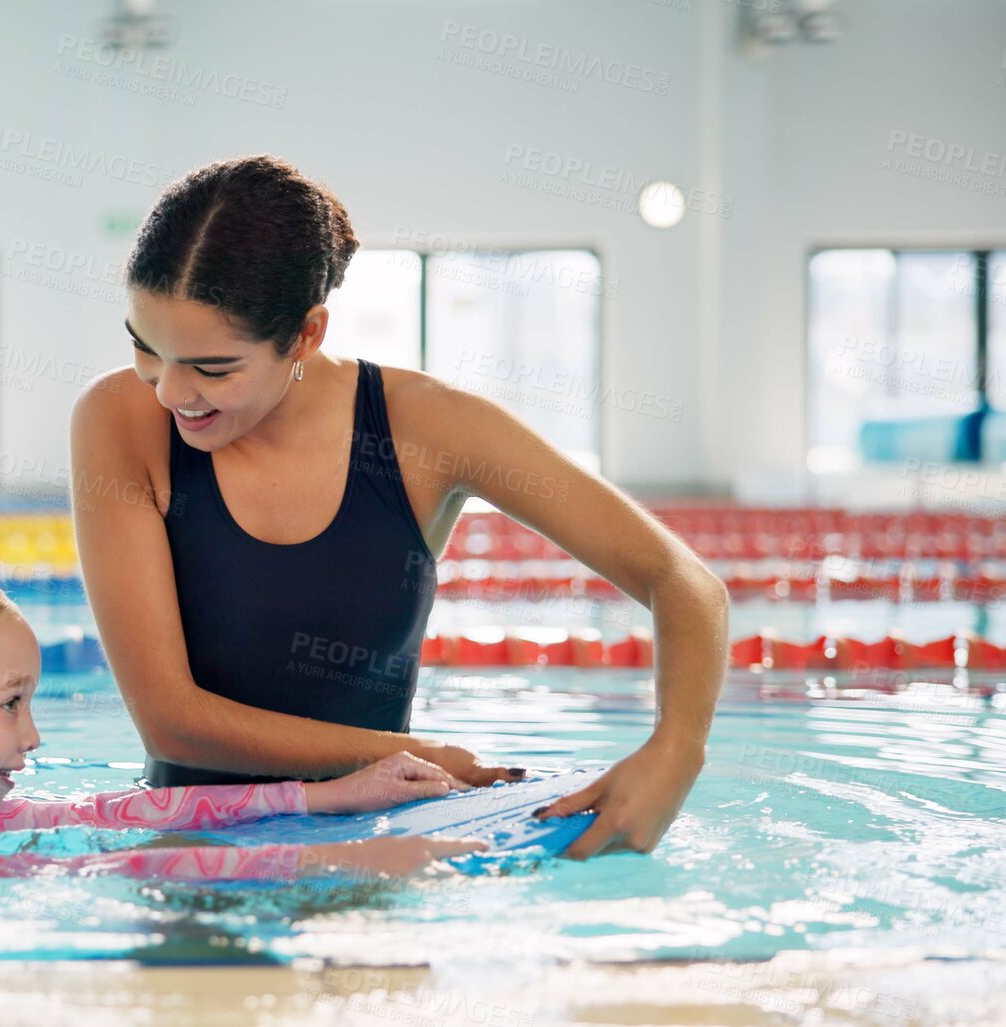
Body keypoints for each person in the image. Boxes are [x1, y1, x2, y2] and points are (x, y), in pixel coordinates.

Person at [67, 154, 730, 858]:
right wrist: (410, 752)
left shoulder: (427, 430)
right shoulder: (118, 419)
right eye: (145, 348)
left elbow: (684, 582)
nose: (169, 391)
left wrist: (676, 747)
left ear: (305, 335)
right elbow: (172, 721)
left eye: (212, 368)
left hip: (377, 856)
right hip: (191, 855)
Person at [0, 565, 486, 886]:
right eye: (9, 704)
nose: (32, 737)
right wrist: (338, 859)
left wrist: (322, 795)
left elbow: (103, 812)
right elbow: (92, 864)